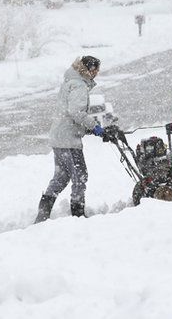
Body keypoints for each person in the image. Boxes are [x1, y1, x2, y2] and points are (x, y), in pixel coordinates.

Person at [35, 55, 105, 222]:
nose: (97, 73)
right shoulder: (79, 85)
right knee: (80, 175)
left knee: (61, 177)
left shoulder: (70, 82)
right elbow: (76, 112)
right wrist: (93, 125)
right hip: (68, 140)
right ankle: (78, 213)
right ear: (89, 69)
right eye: (95, 70)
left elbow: (69, 113)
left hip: (60, 136)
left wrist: (87, 128)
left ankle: (42, 215)